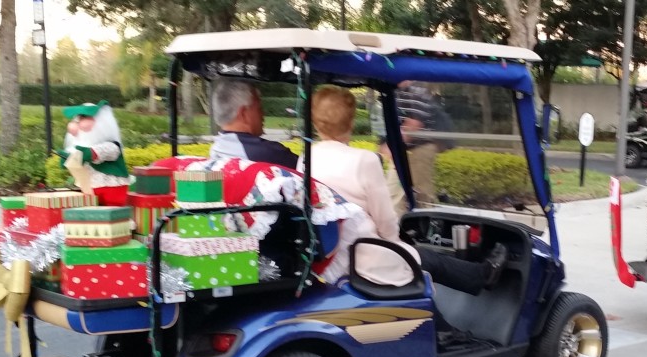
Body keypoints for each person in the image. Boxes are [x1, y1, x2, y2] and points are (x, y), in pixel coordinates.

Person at [307, 85, 506, 296]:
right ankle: (483, 275)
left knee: (418, 257)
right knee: (425, 259)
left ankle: (450, 325)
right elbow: (385, 221)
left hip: (328, 258)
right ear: (351, 121)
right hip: (359, 255)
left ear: (316, 123)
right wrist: (397, 242)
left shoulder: (307, 158)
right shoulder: (364, 160)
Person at [209, 77, 299, 168]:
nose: (263, 113)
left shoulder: (216, 150)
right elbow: (308, 170)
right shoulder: (269, 153)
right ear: (243, 114)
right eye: (259, 108)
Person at [59, 100, 130, 206]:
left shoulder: (111, 145)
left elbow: (102, 152)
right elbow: (78, 160)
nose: (79, 123)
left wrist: (88, 154)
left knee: (113, 215)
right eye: (79, 118)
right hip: (89, 189)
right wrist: (68, 159)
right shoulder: (78, 146)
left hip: (111, 189)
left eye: (84, 117)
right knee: (93, 217)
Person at [395, 81, 451, 206]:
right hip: (404, 149)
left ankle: (427, 221)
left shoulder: (415, 93)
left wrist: (390, 146)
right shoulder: (396, 93)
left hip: (420, 147)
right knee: (395, 192)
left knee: (422, 193)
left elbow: (414, 125)